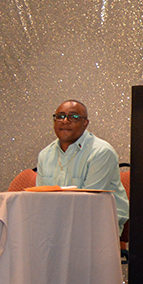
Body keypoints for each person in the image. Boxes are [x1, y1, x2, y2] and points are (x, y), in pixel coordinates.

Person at [36, 99, 129, 232]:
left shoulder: (101, 152)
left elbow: (89, 204)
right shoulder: (45, 155)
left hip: (97, 225)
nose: (65, 121)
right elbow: (39, 199)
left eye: (73, 117)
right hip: (56, 225)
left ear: (85, 123)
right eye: (60, 116)